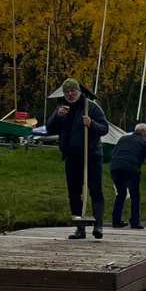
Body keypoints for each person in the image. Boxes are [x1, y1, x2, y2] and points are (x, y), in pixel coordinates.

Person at [46, 78, 109, 240]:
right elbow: (49, 129)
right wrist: (57, 117)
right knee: (74, 192)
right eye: (67, 92)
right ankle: (80, 228)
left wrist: (92, 124)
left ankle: (98, 225)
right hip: (71, 157)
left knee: (95, 190)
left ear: (79, 91)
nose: (70, 94)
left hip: (92, 155)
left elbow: (104, 129)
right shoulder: (62, 108)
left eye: (73, 91)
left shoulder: (92, 107)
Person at [109, 122, 146, 229]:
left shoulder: (123, 138)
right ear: (142, 132)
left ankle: (116, 221)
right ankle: (135, 222)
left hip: (115, 167)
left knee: (121, 194)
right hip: (131, 168)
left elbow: (114, 152)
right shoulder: (143, 142)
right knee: (135, 195)